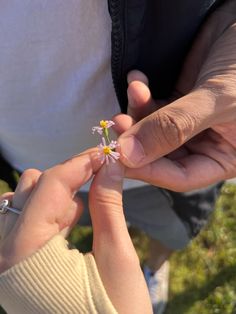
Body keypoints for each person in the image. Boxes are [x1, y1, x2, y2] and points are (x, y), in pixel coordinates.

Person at [0, 0, 236, 313]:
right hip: (38, 168)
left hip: (173, 165)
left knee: (170, 230)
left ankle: (154, 266)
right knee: (79, 220)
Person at [0, 149, 152, 314]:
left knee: (173, 233)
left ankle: (154, 266)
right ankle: (154, 266)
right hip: (25, 156)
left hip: (148, 185)